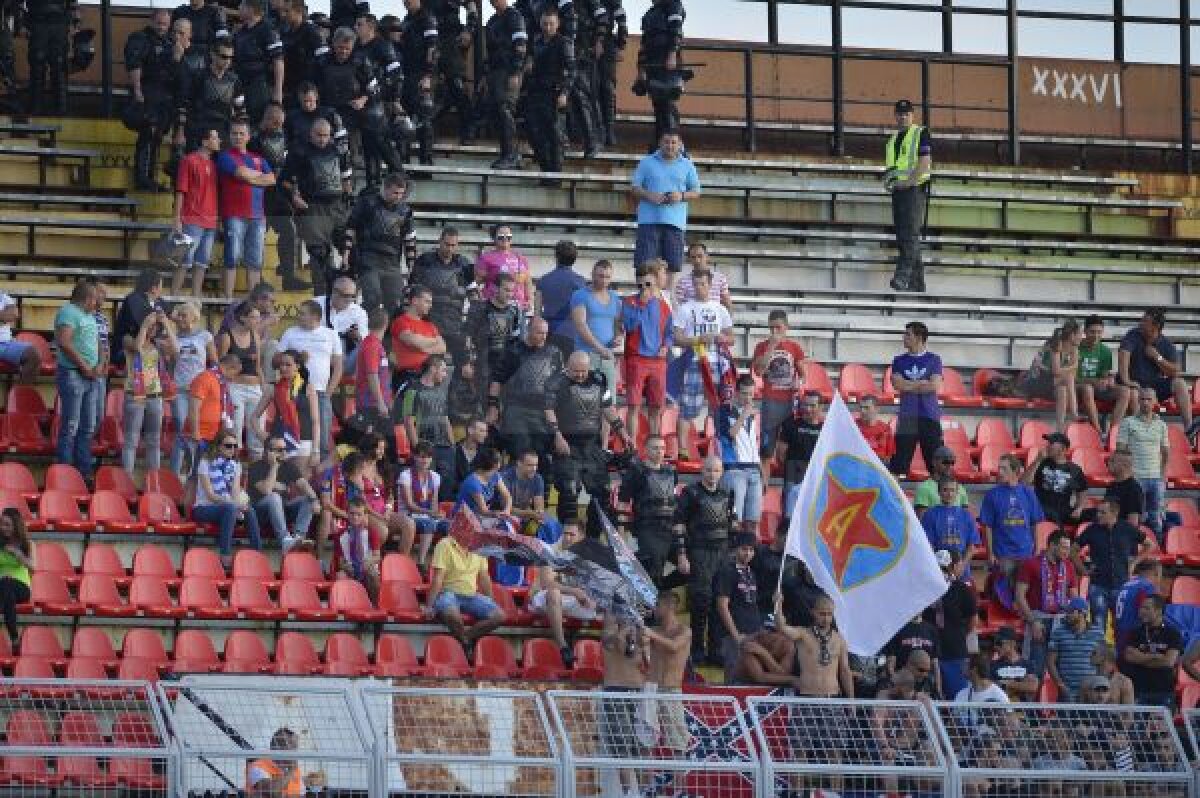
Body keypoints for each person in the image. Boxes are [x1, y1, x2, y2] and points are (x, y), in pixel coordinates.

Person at [545, 351, 628, 522]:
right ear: (567, 367)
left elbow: (608, 408)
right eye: (576, 371)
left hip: (592, 445)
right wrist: (557, 436)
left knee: (602, 493)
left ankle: (593, 534)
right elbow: (548, 411)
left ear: (589, 367)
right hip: (567, 444)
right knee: (569, 491)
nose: (580, 375)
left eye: (583, 371)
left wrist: (622, 433)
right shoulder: (556, 382)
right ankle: (567, 532)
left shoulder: (599, 380)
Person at [314, 26, 402, 185]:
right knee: (338, 144)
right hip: (335, 109)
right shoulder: (323, 61)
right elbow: (314, 86)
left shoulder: (361, 61)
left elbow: (374, 86)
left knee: (375, 137)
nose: (343, 51)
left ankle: (382, 180)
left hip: (361, 107)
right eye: (340, 47)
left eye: (347, 48)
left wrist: (363, 99)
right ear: (333, 44)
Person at [673, 456, 734, 663]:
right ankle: (697, 649)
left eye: (716, 470)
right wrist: (682, 554)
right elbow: (678, 524)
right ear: (701, 471)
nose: (712, 474)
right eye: (708, 470)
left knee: (720, 601)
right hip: (699, 552)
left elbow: (732, 523)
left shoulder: (727, 493)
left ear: (722, 472)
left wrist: (732, 555)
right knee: (700, 601)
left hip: (722, 554)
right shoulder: (690, 493)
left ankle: (716, 650)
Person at [280, 118, 353, 293]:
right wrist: (294, 197)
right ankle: (322, 296)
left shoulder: (337, 151)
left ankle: (346, 292)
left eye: (326, 135)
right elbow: (284, 180)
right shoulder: (299, 152)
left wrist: (348, 195)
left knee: (350, 249)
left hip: (337, 206)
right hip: (312, 206)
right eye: (319, 135)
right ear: (311, 134)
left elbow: (346, 175)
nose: (322, 139)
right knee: (320, 254)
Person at [672, 270, 733, 458]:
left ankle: (721, 448)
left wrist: (721, 338)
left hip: (718, 363)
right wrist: (698, 340)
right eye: (696, 284)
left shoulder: (720, 309)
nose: (699, 288)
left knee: (720, 408)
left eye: (703, 284)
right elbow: (676, 338)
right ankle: (682, 451)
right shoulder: (685, 309)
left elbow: (731, 338)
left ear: (710, 284)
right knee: (688, 407)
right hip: (695, 361)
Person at [425, 514, 507, 651]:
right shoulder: (444, 544)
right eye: (471, 530)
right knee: (451, 614)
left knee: (499, 616)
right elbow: (438, 578)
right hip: (448, 593)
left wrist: (490, 601)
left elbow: (484, 578)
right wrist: (429, 606)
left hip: (471, 595)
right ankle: (465, 642)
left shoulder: (480, 547)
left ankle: (465, 639)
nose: (474, 534)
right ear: (460, 529)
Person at [1072, 497, 1153, 632]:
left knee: (1122, 626)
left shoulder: (1126, 528)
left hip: (1121, 585)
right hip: (1098, 585)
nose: (1098, 515)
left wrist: (1134, 562)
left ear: (1114, 513)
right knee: (1098, 627)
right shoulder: (1092, 529)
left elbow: (1149, 545)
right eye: (1098, 512)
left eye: (1103, 512)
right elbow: (1073, 550)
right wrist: (1083, 570)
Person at [489, 318, 564, 461]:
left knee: (541, 453)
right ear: (529, 331)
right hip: (517, 409)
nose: (544, 337)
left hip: (542, 410)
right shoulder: (513, 351)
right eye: (539, 333)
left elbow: (560, 382)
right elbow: (497, 381)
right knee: (519, 451)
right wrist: (493, 407)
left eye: (546, 333)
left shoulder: (554, 353)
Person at [631, 130, 700, 284]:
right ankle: (644, 294)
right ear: (660, 144)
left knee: (673, 266)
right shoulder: (646, 162)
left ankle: (669, 296)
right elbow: (635, 188)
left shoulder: (687, 165)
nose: (670, 146)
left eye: (673, 142)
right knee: (644, 263)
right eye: (666, 142)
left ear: (680, 145)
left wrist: (681, 196)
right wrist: (649, 195)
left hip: (675, 222)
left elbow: (696, 191)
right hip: (649, 221)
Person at [278, 300, 343, 461]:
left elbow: (338, 366)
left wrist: (328, 392)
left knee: (322, 440)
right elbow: (276, 361)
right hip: (294, 392)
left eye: (302, 313)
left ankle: (321, 475)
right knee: (294, 435)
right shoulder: (290, 333)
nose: (298, 316)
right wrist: (297, 358)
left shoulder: (331, 334)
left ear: (315, 316)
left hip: (320, 392)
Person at [617, 259, 672, 448]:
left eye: (648, 284)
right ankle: (631, 448)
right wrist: (642, 303)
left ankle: (655, 446)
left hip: (658, 362)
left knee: (656, 407)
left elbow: (669, 332)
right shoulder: (629, 302)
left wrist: (666, 346)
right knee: (634, 405)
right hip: (636, 359)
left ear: (655, 282)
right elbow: (629, 326)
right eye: (640, 284)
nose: (644, 288)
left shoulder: (663, 305)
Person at [216, 120, 275, 298]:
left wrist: (250, 177)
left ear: (248, 137)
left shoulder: (258, 158)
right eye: (234, 133)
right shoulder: (225, 157)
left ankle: (253, 301)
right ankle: (227, 299)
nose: (238, 137)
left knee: (255, 260)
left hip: (258, 216)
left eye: (242, 133)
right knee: (232, 256)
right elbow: (241, 173)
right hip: (234, 214)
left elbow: (272, 179)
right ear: (229, 136)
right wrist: (259, 177)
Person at [125, 9, 182, 191]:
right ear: (151, 21)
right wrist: (137, 91)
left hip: (164, 97)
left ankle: (150, 178)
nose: (162, 27)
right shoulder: (140, 38)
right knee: (148, 133)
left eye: (165, 24)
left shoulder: (170, 42)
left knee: (157, 136)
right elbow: (134, 64)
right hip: (147, 92)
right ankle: (142, 178)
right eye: (159, 23)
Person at [1117, 309, 1196, 440]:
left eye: (1145, 321)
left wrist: (1157, 357)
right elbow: (1123, 355)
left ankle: (1189, 428)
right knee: (1135, 393)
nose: (1141, 323)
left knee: (1180, 383)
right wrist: (1126, 381)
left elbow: (1175, 371)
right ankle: (1139, 433)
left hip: (1154, 386)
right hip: (1135, 385)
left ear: (1156, 326)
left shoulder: (1165, 343)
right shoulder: (1133, 335)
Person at [526, 520, 596, 666]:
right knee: (554, 593)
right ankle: (563, 647)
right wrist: (575, 591)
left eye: (572, 535)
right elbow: (547, 583)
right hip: (542, 598)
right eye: (565, 534)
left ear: (581, 537)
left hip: (570, 600)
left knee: (612, 600)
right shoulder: (550, 551)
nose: (567, 538)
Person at [347, 173, 418, 314]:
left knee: (395, 303)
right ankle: (359, 322)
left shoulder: (405, 211)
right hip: (368, 259)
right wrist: (346, 254)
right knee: (372, 298)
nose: (399, 197)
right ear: (385, 188)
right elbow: (350, 228)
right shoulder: (367, 203)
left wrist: (411, 265)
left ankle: (386, 328)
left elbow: (409, 240)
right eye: (395, 193)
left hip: (392, 262)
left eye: (401, 193)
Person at [252, 104, 304, 291]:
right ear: (266, 119)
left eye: (281, 123)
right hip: (259, 193)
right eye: (275, 123)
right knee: (258, 235)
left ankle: (289, 278)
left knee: (289, 231)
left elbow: (289, 166)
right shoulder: (254, 140)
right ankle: (256, 279)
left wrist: (293, 190)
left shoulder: (285, 138)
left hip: (280, 194)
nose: (278, 126)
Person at [1014, 530, 1079, 678]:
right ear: (1052, 545)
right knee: (1034, 670)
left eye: (1068, 548)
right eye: (1064, 548)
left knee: (1063, 672)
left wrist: (1075, 617)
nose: (1067, 552)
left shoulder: (1069, 566)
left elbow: (1074, 597)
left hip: (1062, 621)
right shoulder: (1031, 564)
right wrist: (1032, 622)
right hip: (1039, 620)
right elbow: (1019, 596)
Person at [597, 610, 648, 798]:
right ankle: (627, 792)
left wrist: (641, 637)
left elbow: (648, 663)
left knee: (642, 746)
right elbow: (617, 645)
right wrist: (626, 630)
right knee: (622, 745)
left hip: (638, 692)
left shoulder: (639, 637)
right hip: (616, 691)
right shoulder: (609, 636)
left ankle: (644, 792)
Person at [54, 280, 101, 478]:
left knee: (87, 427)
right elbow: (64, 342)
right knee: (71, 427)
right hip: (73, 373)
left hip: (90, 376)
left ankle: (83, 472)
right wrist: (84, 366)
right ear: (88, 298)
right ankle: (65, 474)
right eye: (95, 299)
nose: (97, 303)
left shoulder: (89, 315)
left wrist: (99, 363)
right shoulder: (68, 312)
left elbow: (96, 342)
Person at [410, 227, 476, 368]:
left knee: (465, 368)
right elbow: (412, 291)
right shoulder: (424, 261)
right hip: (429, 322)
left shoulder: (465, 264)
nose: (450, 249)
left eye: (453, 245)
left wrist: (472, 324)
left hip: (455, 323)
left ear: (457, 245)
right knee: (430, 366)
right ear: (440, 241)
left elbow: (474, 294)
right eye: (447, 244)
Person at [194, 429, 263, 567]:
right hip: (204, 508)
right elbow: (210, 495)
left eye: (235, 446)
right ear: (218, 446)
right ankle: (225, 554)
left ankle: (257, 554)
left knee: (249, 510)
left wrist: (239, 504)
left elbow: (235, 492)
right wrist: (233, 504)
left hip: (226, 507)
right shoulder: (205, 462)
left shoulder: (236, 465)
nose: (232, 449)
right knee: (230, 507)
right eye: (228, 446)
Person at [122, 306, 177, 475]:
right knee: (131, 440)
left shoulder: (158, 343)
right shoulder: (128, 339)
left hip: (155, 395)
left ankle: (154, 480)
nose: (154, 329)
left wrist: (166, 324)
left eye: (155, 327)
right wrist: (145, 325)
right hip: (135, 394)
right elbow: (138, 347)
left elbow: (176, 349)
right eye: (151, 326)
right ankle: (127, 480)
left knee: (154, 441)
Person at [619, 434, 679, 588]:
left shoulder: (671, 471)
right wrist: (621, 535)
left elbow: (672, 500)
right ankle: (653, 595)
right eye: (655, 448)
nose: (659, 452)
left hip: (669, 529)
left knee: (693, 565)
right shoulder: (636, 471)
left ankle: (661, 589)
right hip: (648, 528)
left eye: (662, 448)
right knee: (653, 569)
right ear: (645, 449)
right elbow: (623, 503)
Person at [885, 99, 932, 293]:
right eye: (900, 114)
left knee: (909, 235)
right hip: (898, 191)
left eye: (906, 114)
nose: (903, 117)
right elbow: (892, 168)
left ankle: (902, 277)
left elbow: (924, 161)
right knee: (904, 236)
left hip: (914, 190)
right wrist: (890, 183)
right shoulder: (892, 139)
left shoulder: (920, 133)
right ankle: (917, 284)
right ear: (895, 116)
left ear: (912, 115)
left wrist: (910, 182)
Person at [979, 452, 1044, 593]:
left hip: (1026, 552)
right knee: (1004, 594)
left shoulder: (1028, 493)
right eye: (999, 468)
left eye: (1004, 468)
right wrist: (990, 553)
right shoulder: (992, 495)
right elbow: (987, 526)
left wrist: (1037, 547)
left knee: (1024, 594)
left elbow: (1035, 523)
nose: (1000, 472)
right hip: (1003, 554)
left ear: (1015, 471)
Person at [248, 435, 320, 552]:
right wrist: (274, 466)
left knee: (308, 499)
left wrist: (314, 500)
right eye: (280, 450)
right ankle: (285, 540)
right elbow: (267, 490)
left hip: (283, 509)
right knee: (274, 497)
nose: (284, 452)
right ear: (268, 451)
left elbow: (304, 484)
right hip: (260, 513)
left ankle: (298, 538)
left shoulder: (288, 466)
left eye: (285, 449)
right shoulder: (255, 467)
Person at [172, 128, 222, 296]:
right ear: (205, 141)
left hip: (210, 221)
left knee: (202, 263)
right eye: (215, 138)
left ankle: (196, 298)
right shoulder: (189, 160)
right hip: (192, 219)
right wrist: (177, 219)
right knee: (185, 261)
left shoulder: (214, 165)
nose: (219, 141)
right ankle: (173, 297)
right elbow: (181, 191)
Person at [1117, 386, 1170, 545]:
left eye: (1149, 399)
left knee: (1156, 518)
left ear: (1155, 402)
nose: (1145, 402)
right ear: (1138, 401)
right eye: (1142, 399)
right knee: (1135, 518)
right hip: (1136, 478)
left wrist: (1163, 474)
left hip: (1156, 478)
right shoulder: (1128, 422)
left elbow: (1165, 452)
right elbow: (1120, 450)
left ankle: (1157, 549)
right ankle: (1134, 549)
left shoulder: (1161, 425)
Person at [774, 592, 853, 698]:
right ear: (813, 612)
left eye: (829, 614)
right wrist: (778, 605)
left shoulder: (839, 639)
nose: (826, 619)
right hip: (808, 695)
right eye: (822, 614)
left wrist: (851, 700)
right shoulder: (803, 634)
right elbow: (781, 627)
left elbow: (845, 670)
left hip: (833, 696)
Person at [889, 321, 943, 475]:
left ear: (919, 338)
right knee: (899, 465)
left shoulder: (934, 359)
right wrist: (921, 383)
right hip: (907, 417)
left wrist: (908, 384)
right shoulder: (899, 360)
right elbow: (897, 384)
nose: (904, 337)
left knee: (936, 466)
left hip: (929, 416)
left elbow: (934, 385)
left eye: (908, 334)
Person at [643, 590, 692, 753]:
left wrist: (651, 635)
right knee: (645, 741)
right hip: (650, 689)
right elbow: (641, 651)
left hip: (671, 689)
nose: (654, 609)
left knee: (678, 744)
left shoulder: (684, 631)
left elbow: (674, 646)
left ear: (669, 606)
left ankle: (679, 771)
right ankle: (646, 771)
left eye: (657, 605)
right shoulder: (654, 630)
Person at [524, 8, 573, 174]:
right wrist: (529, 63)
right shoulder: (536, 41)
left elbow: (572, 70)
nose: (548, 27)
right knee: (532, 132)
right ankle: (546, 170)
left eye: (551, 24)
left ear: (557, 24)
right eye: (545, 24)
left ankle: (555, 175)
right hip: (535, 92)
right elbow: (529, 59)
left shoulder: (564, 43)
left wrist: (564, 93)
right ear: (540, 23)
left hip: (554, 93)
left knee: (554, 135)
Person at [751, 308, 806, 453]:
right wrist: (771, 348)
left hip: (789, 401)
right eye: (771, 328)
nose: (774, 331)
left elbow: (803, 375)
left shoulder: (794, 347)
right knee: (766, 449)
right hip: (770, 401)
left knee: (787, 448)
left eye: (778, 327)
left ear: (786, 327)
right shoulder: (761, 347)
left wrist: (799, 383)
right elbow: (758, 371)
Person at [251, 348, 320, 464]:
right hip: (278, 441)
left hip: (304, 441)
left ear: (297, 366)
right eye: (281, 364)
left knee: (300, 476)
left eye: (288, 365)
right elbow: (254, 417)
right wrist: (262, 435)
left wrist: (316, 450)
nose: (283, 368)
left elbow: (315, 421)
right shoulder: (273, 388)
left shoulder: (308, 388)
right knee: (274, 475)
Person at [716, 374, 765, 535]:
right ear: (736, 392)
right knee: (734, 518)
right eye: (744, 393)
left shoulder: (754, 415)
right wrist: (744, 416)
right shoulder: (724, 411)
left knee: (752, 520)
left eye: (751, 394)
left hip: (754, 470)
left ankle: (749, 549)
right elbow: (730, 434)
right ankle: (732, 549)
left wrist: (762, 472)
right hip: (734, 469)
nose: (748, 398)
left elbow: (754, 446)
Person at [481, 0, 527, 169]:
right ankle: (507, 153)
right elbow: (489, 51)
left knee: (505, 109)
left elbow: (520, 45)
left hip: (509, 70)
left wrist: (515, 71)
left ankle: (512, 155)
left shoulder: (514, 16)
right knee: (495, 111)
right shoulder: (492, 21)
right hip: (495, 71)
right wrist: (486, 75)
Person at [216, 300, 266, 457]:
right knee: (235, 426)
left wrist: (264, 387)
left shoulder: (255, 336)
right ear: (242, 318)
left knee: (257, 427)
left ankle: (256, 461)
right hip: (235, 387)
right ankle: (232, 459)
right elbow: (221, 366)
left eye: (258, 317)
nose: (258, 321)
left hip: (255, 386)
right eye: (254, 317)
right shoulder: (227, 336)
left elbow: (258, 366)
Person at [569, 259, 621, 408]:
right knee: (584, 402)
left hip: (607, 356)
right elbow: (580, 325)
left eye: (607, 277)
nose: (603, 280)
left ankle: (605, 426)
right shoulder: (580, 295)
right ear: (592, 275)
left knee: (609, 402)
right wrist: (600, 349)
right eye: (600, 276)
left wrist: (618, 336)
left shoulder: (615, 298)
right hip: (586, 356)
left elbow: (618, 324)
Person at [178, 39, 244, 152]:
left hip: (223, 133)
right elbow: (184, 104)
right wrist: (180, 131)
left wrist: (240, 136)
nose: (228, 61)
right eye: (224, 57)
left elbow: (240, 110)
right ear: (213, 55)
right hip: (199, 131)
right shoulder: (198, 76)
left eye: (231, 57)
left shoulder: (235, 80)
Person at [635, 0, 685, 145]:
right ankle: (660, 143)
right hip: (653, 63)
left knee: (667, 103)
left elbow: (676, 30)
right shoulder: (650, 14)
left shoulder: (673, 5)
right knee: (658, 104)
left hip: (666, 61)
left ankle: (674, 145)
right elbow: (644, 43)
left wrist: (672, 54)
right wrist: (641, 69)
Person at [1017, 320, 1081, 432]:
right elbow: (1056, 371)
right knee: (1068, 379)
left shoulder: (1074, 349)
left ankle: (1060, 428)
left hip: (1051, 383)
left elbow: (1072, 373)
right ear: (1072, 335)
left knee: (1062, 389)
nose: (1082, 337)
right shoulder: (1056, 344)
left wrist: (1071, 368)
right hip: (1034, 382)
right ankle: (1074, 413)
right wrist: (1074, 366)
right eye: (1080, 334)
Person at [397, 355, 454, 478]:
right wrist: (419, 450)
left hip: (444, 447)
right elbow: (408, 422)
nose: (445, 375)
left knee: (446, 484)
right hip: (425, 446)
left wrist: (452, 444)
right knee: (427, 483)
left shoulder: (441, 390)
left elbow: (445, 418)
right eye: (443, 370)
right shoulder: (412, 390)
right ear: (433, 369)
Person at [931, 549, 977, 701]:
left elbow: (972, 619)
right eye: (939, 568)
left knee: (957, 698)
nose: (942, 572)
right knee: (933, 697)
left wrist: (961, 635)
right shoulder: (925, 589)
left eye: (945, 568)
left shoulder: (961, 589)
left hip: (954, 652)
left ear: (953, 567)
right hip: (930, 651)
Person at [1122, 594, 1182, 708]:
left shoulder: (1172, 634)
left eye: (1146, 608)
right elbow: (1129, 657)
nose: (1141, 611)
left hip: (1164, 692)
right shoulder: (1135, 633)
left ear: (1159, 611)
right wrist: (1156, 657)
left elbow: (1168, 662)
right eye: (1141, 608)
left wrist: (1141, 657)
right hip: (1139, 690)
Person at [712, 532, 762, 668]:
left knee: (751, 675)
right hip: (735, 634)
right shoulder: (726, 572)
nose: (748, 553)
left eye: (751, 550)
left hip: (754, 631)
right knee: (734, 674)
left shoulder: (751, 572)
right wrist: (736, 636)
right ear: (735, 549)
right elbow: (722, 606)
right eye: (744, 549)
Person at [430, 0, 478, 143]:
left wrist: (469, 29)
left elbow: (471, 5)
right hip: (430, 42)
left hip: (450, 42)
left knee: (457, 87)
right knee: (432, 91)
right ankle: (428, 132)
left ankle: (469, 130)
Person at [397, 442, 451, 567]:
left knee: (450, 525)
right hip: (408, 515)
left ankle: (445, 564)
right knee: (428, 524)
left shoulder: (435, 476)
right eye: (421, 456)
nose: (425, 460)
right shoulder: (405, 475)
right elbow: (409, 505)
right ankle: (421, 562)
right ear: (414, 457)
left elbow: (434, 503)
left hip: (427, 514)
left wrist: (437, 514)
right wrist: (431, 513)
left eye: (428, 457)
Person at [232, 0, 284, 124]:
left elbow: (278, 61)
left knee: (259, 122)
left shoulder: (268, 30)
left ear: (251, 9)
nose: (239, 7)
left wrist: (278, 91)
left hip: (260, 85)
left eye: (242, 5)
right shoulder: (241, 31)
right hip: (240, 84)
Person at [1022, 432, 1088, 526]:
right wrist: (1037, 460)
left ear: (1063, 449)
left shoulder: (1075, 469)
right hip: (1042, 509)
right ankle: (1059, 533)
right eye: (1048, 443)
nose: (1047, 446)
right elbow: (1023, 483)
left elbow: (1082, 492)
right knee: (1052, 514)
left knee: (1093, 514)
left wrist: (1079, 508)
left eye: (1051, 443)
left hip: (1064, 511)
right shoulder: (1041, 463)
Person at [1077, 315, 1130, 433]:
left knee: (1125, 391)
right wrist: (1093, 381)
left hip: (1096, 388)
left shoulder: (1105, 351)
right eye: (1092, 332)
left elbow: (1104, 376)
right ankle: (1098, 431)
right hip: (1078, 387)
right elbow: (1071, 378)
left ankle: (1112, 432)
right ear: (1085, 331)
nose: (1096, 335)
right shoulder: (1076, 348)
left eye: (1099, 332)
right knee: (1087, 388)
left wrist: (1108, 381)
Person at [1046, 597, 1104, 702]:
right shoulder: (1058, 632)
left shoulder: (1097, 633)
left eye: (1070, 611)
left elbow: (1101, 661)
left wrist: (1097, 686)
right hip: (1067, 692)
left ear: (1082, 613)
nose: (1067, 614)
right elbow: (1050, 662)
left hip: (1090, 692)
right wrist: (1061, 685)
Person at [25, 0, 78, 114]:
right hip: (42, 21)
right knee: (41, 66)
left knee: (57, 67)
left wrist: (74, 23)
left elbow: (73, 5)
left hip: (51, 21)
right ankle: (40, 109)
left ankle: (57, 109)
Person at [535, 240, 586, 356]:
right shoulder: (580, 282)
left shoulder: (543, 280)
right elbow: (582, 314)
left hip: (548, 333)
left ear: (556, 256)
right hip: (571, 333)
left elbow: (537, 313)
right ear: (574, 258)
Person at [390, 286, 447, 387]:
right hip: (406, 377)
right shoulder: (400, 321)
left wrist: (422, 346)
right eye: (427, 302)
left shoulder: (430, 325)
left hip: (427, 377)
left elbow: (442, 348)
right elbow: (414, 342)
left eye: (431, 302)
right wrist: (434, 341)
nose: (430, 306)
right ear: (415, 301)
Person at [774, 392, 823, 508]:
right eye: (805, 405)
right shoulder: (791, 425)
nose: (808, 409)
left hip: (816, 473)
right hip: (793, 471)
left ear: (821, 407)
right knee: (790, 511)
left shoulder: (826, 428)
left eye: (812, 405)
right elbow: (780, 454)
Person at [246, 727, 325, 796]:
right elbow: (271, 791)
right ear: (275, 747)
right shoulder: (258, 767)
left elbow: (300, 794)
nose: (294, 752)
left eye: (295, 748)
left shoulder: (296, 770)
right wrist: (291, 771)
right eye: (290, 747)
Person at [313, 276, 367, 377]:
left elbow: (364, 341)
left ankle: (359, 382)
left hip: (345, 361)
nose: (350, 300)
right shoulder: (316, 304)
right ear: (335, 292)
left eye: (353, 296)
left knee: (368, 347)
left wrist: (357, 336)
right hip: (319, 356)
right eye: (346, 296)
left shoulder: (359, 312)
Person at [475, 224, 533, 311]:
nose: (505, 239)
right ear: (494, 238)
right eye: (501, 237)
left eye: (508, 236)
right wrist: (481, 300)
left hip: (518, 308)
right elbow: (476, 283)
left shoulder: (521, 258)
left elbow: (528, 282)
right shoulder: (486, 258)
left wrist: (530, 300)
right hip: (495, 308)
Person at [592, 0, 626, 147]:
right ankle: (596, 131)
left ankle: (609, 131)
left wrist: (620, 45)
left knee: (607, 89)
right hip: (585, 42)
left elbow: (621, 21)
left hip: (606, 43)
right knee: (591, 88)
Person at [922, 479, 980, 561]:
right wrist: (938, 564)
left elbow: (971, 546)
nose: (949, 494)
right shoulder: (930, 514)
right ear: (939, 492)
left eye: (952, 490)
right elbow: (928, 544)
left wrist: (962, 565)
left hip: (962, 565)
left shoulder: (966, 515)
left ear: (957, 492)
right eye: (945, 490)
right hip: (939, 564)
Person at [728, 627, 802, 689]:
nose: (781, 643)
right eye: (772, 640)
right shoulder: (750, 645)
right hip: (743, 684)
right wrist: (792, 679)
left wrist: (765, 655)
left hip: (771, 685)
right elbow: (760, 677)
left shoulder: (788, 645)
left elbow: (782, 674)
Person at [0, 509, 32, 651]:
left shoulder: (27, 543)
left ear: (16, 526)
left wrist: (17, 553)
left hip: (21, 587)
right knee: (7, 592)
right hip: (2, 584)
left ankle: (13, 637)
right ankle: (15, 639)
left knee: (7, 587)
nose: (3, 527)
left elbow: (33, 566)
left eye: (7, 525)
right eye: (2, 524)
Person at [336, 497, 381, 600]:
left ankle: (374, 604)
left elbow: (377, 556)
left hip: (367, 568)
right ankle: (346, 605)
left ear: (365, 515)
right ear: (347, 514)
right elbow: (340, 561)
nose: (355, 517)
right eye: (352, 513)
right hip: (351, 570)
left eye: (359, 514)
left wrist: (368, 562)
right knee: (340, 576)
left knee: (373, 574)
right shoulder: (341, 535)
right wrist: (346, 567)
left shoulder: (372, 532)